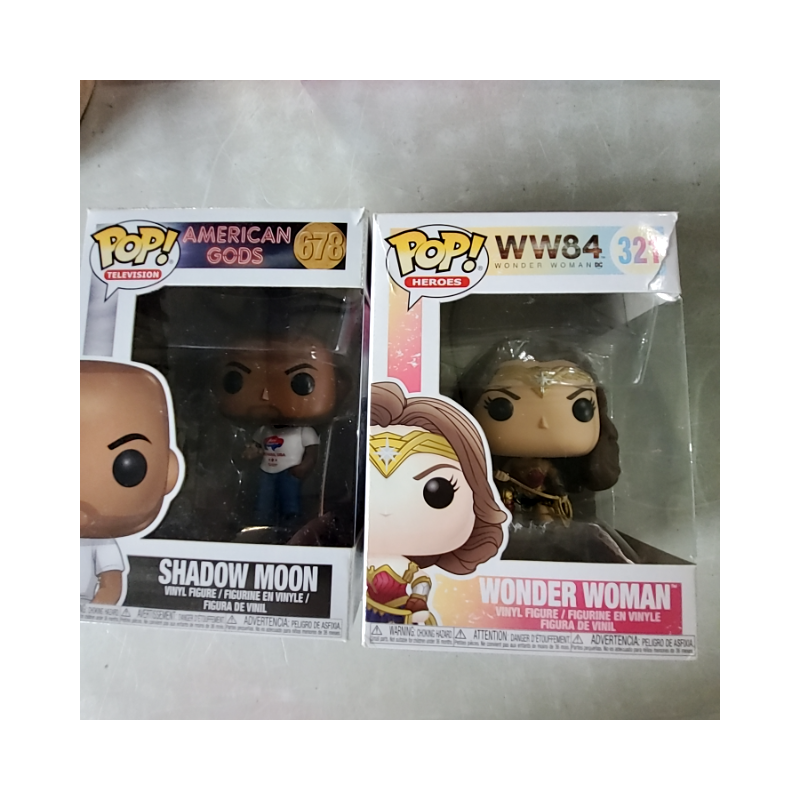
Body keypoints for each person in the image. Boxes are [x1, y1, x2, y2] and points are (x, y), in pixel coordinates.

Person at [367, 381, 508, 625]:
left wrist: (419, 601)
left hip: (400, 617)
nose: (387, 510)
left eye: (439, 492)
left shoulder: (409, 568)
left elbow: (421, 582)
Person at [80, 360, 182, 604]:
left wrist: (93, 615)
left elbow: (111, 583)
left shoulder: (101, 541)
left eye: (127, 467)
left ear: (168, 472)